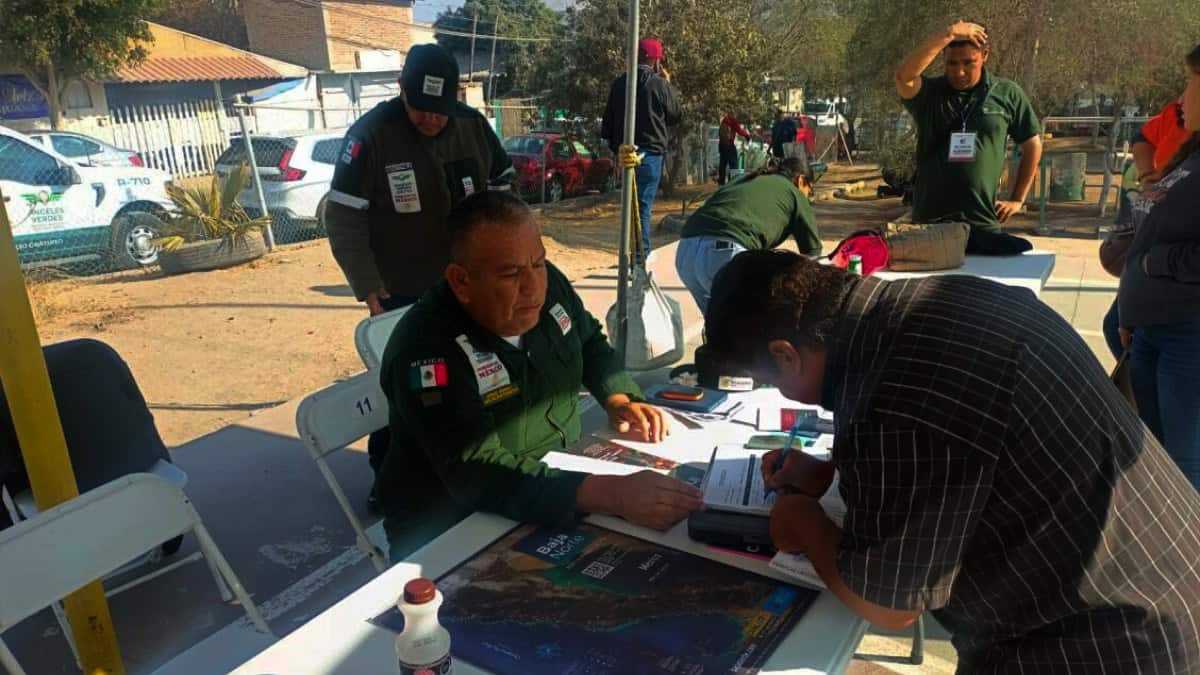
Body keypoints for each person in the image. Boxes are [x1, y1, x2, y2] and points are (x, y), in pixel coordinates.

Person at [704, 249, 1200, 671]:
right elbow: (969, 451)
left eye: (772, 380)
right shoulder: (933, 305)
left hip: (1105, 645)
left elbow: (888, 603)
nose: (785, 394)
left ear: (786, 354)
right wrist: (834, 474)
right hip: (1162, 577)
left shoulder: (900, 387)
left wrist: (804, 525)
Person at [377, 191, 703, 562]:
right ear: (461, 282)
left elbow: (589, 341)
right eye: (511, 273)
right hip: (451, 526)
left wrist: (619, 398)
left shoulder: (547, 286)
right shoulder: (426, 352)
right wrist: (609, 494)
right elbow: (478, 473)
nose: (533, 287)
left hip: (562, 475)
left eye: (538, 263)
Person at [324, 44, 513, 510]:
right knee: (402, 392)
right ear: (401, 92)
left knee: (474, 378)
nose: (432, 120)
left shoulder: (472, 126)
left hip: (466, 287)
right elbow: (344, 216)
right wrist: (367, 285)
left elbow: (505, 182)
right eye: (421, 110)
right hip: (401, 290)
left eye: (440, 111)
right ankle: (387, 479)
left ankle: (467, 465)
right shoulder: (371, 136)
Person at [1117, 44, 1200, 489]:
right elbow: (1153, 229)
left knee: (1183, 467)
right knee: (1156, 459)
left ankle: (1186, 556)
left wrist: (1156, 262)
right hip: (1151, 329)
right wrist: (1131, 309)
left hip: (1188, 334)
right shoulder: (1189, 155)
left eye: (1190, 84)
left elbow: (1162, 249)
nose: (1182, 100)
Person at [895, 22, 1043, 255]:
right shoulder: (930, 94)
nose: (959, 71)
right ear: (943, 56)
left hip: (982, 223)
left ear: (985, 55)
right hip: (931, 225)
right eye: (952, 63)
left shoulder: (1006, 93)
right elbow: (904, 77)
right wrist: (948, 33)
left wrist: (1017, 199)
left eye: (968, 62)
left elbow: (1032, 144)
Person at [1100, 95, 1190, 359]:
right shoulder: (1177, 112)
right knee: (1117, 327)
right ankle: (1136, 396)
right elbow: (1143, 138)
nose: (1183, 97)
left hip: (1180, 268)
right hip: (1158, 248)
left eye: (1192, 80)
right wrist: (1147, 175)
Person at [675, 158, 820, 314]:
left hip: (685, 254)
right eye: (809, 190)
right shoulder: (794, 193)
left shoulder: (745, 179)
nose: (808, 196)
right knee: (755, 325)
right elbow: (812, 255)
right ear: (801, 180)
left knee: (718, 328)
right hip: (723, 255)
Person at [600, 37, 682, 266]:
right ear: (656, 60)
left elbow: (607, 123)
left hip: (625, 154)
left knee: (629, 207)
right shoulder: (660, 85)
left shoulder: (619, 84)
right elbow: (676, 115)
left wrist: (615, 149)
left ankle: (631, 254)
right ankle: (640, 258)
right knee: (643, 207)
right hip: (650, 155)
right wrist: (669, 84)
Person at [717, 112, 751, 185]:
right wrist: (747, 135)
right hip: (729, 145)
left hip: (722, 146)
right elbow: (740, 131)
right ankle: (734, 183)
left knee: (723, 165)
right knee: (734, 165)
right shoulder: (733, 120)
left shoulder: (724, 120)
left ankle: (721, 183)